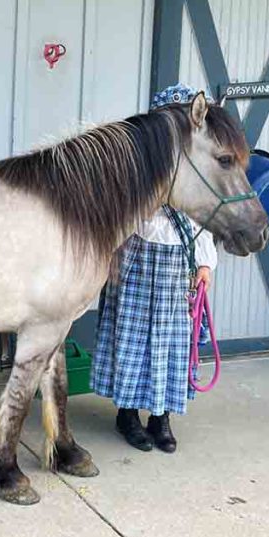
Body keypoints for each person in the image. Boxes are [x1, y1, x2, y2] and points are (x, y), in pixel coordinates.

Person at [90, 84, 218, 454]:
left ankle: (161, 418)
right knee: (132, 337)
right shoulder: (137, 163)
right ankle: (127, 415)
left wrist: (205, 262)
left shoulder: (197, 163)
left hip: (180, 261)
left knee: (172, 341)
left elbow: (205, 217)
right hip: (137, 258)